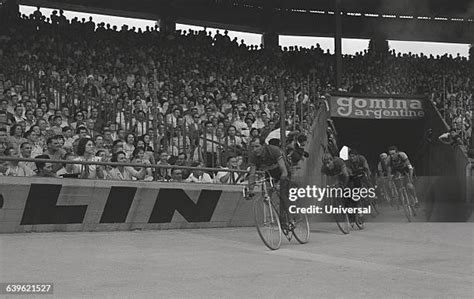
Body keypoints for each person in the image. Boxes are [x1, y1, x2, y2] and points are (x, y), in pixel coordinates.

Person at [247, 137, 290, 224]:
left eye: (257, 146)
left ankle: (289, 218)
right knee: (266, 195)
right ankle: (271, 217)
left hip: (282, 171)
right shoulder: (253, 156)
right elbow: (252, 174)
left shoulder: (274, 150)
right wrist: (251, 189)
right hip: (269, 173)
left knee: (283, 194)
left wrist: (280, 183)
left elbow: (284, 170)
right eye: (252, 147)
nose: (254, 150)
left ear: (263, 146)